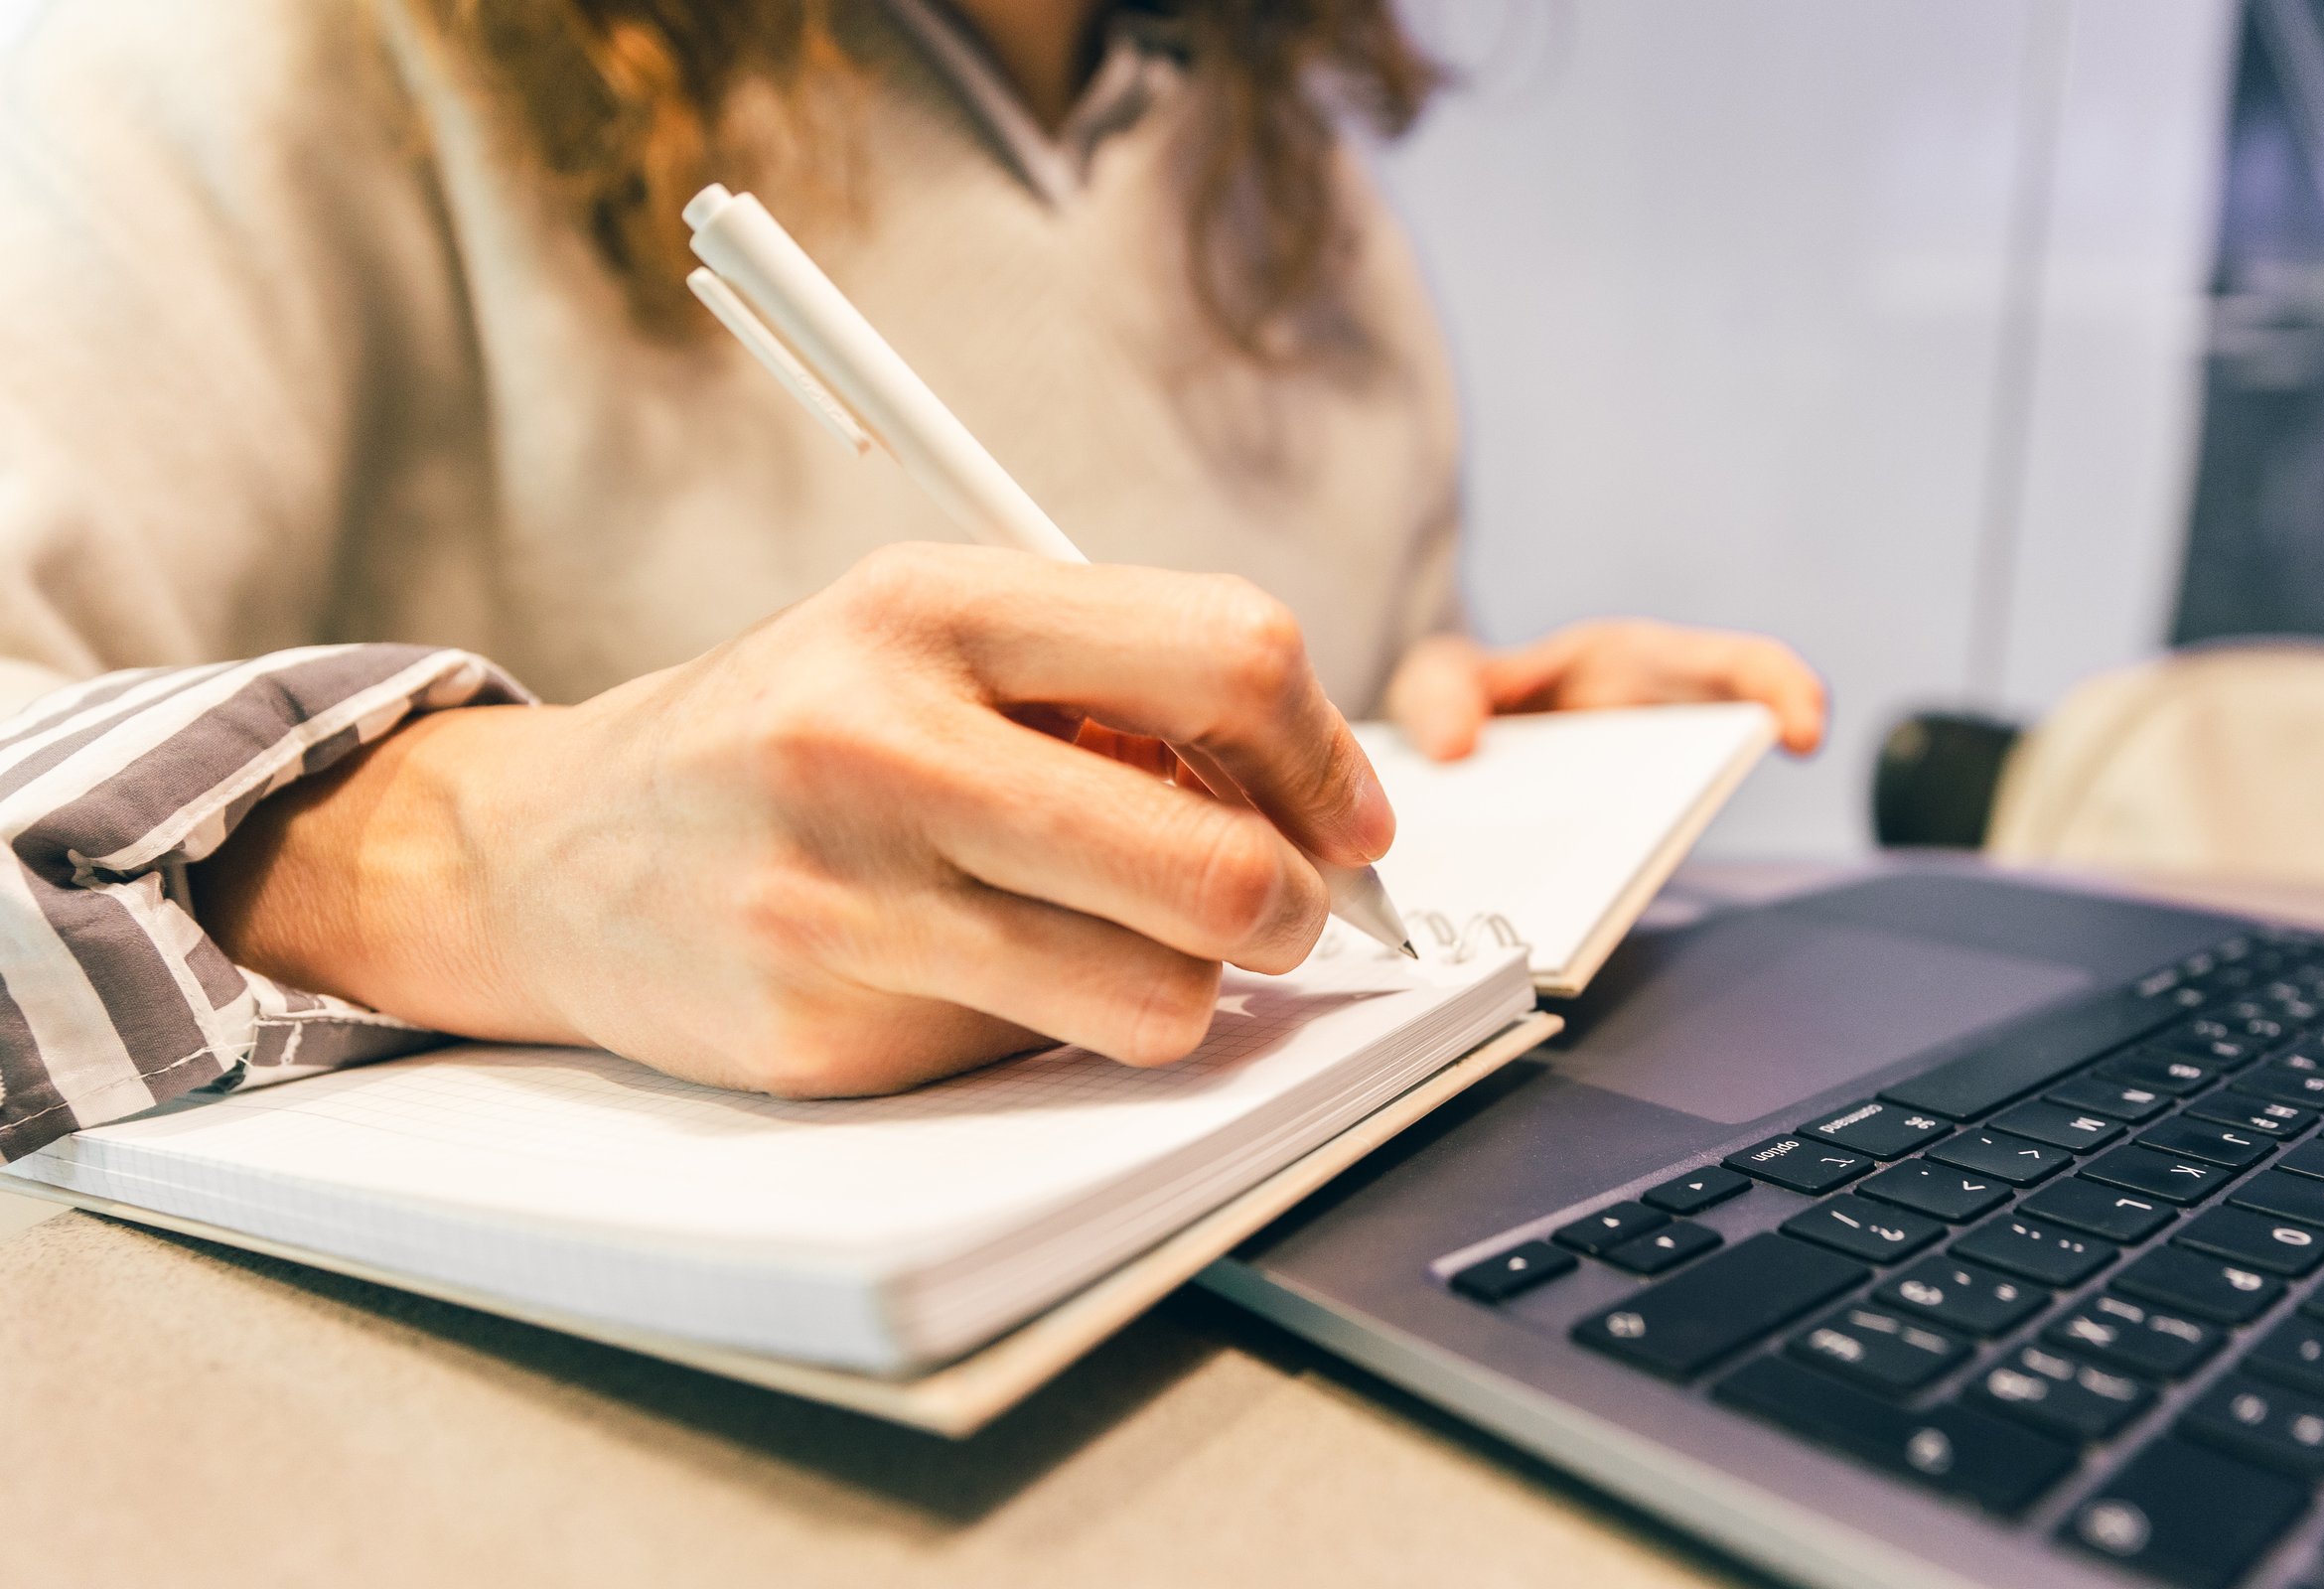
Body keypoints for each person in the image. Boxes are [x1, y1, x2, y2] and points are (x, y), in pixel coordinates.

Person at [0, 0, 1825, 1160]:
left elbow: (1274, 711)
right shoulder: (262, 64)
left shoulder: (1301, 198)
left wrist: (1462, 723)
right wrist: (474, 848)